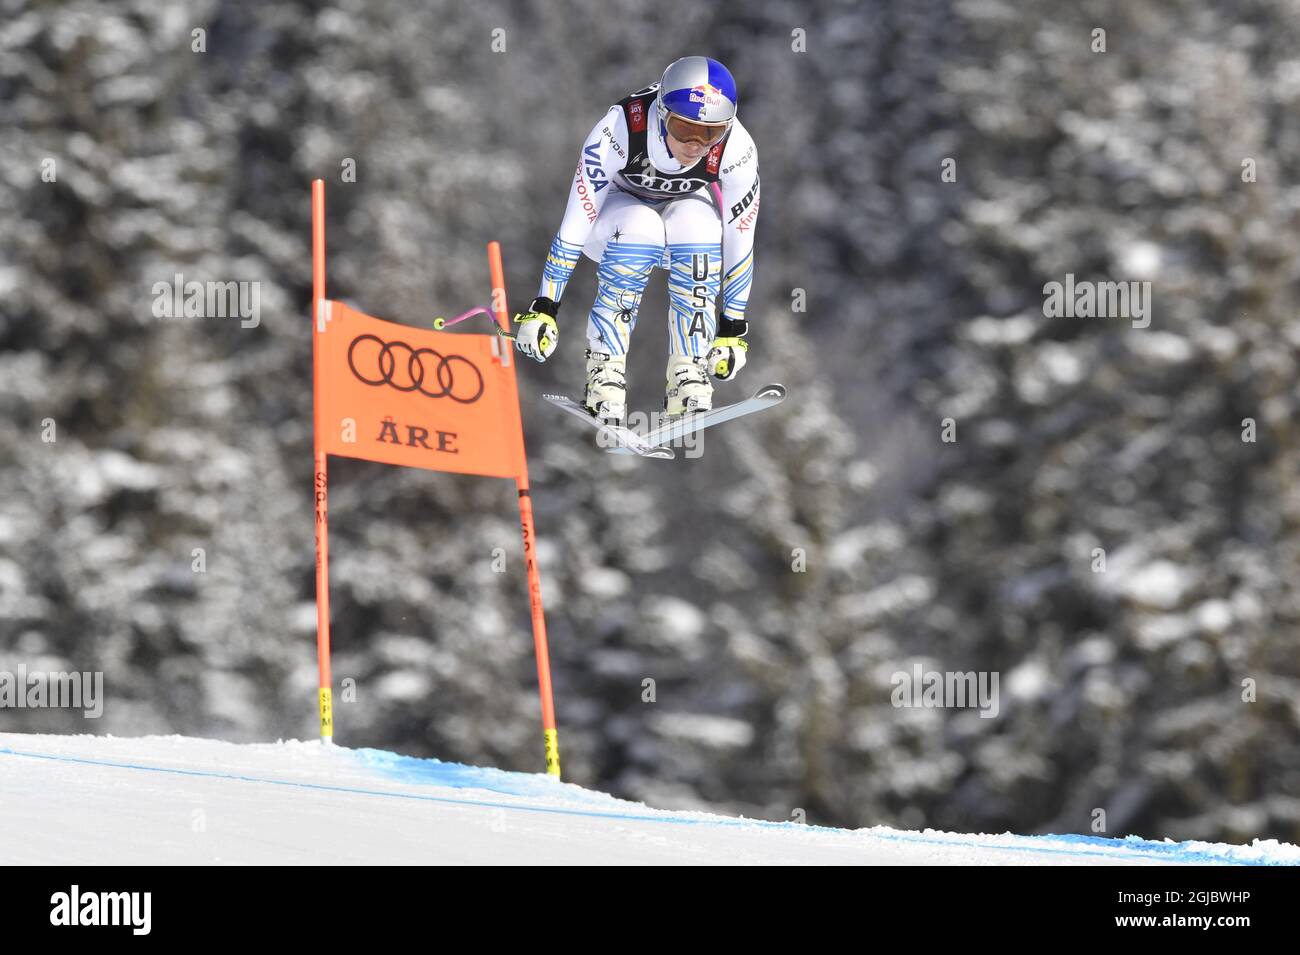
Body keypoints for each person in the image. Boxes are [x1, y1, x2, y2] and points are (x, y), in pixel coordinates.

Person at [513, 55, 760, 423]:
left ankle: (688, 371)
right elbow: (576, 220)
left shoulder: (737, 148)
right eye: (683, 129)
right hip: (612, 226)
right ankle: (605, 370)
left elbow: (740, 237)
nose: (695, 144)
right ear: (662, 113)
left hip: (678, 229)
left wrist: (732, 327)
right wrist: (545, 306)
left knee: (702, 225)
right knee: (641, 224)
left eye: (709, 133)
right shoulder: (621, 128)